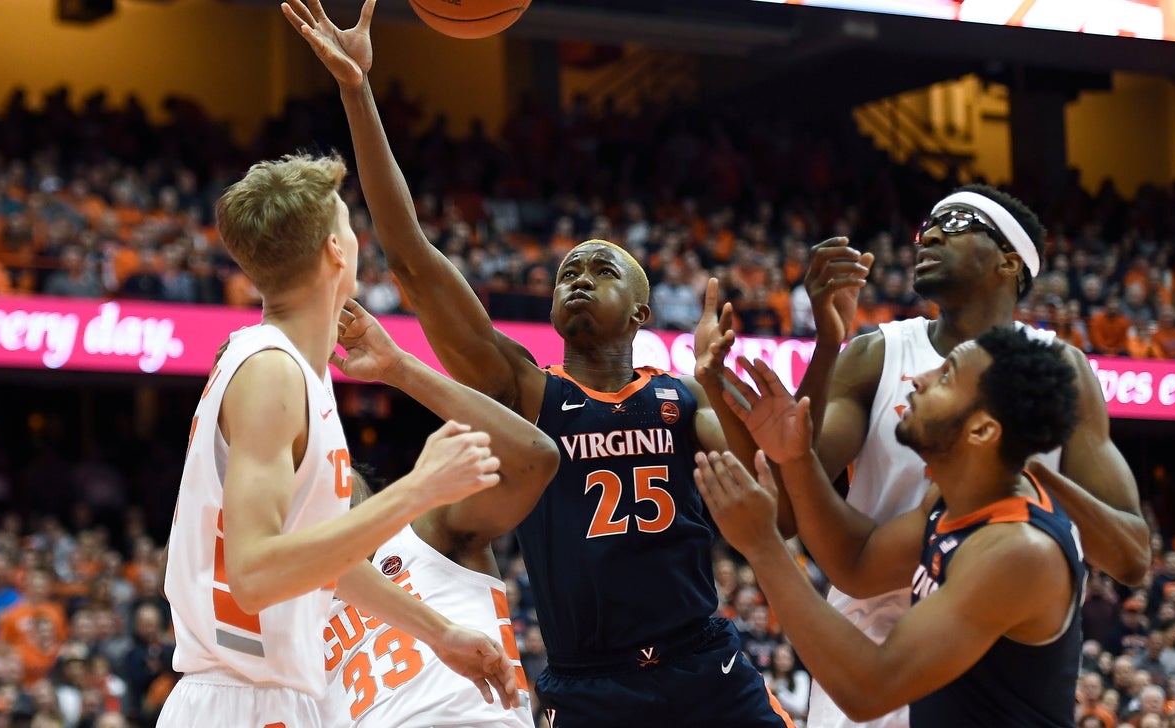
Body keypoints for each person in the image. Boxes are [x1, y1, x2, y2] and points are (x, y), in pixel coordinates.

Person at [287, 0, 804, 723]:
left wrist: (721, 387)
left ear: (641, 312)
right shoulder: (525, 391)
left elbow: (777, 511)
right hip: (589, 684)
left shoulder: (685, 398)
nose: (579, 277)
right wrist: (356, 90)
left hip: (702, 665)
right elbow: (411, 260)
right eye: (567, 272)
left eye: (601, 269)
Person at [160, 151, 518, 726]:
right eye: (349, 226)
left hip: (273, 697)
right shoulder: (272, 372)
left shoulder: (297, 368)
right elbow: (255, 575)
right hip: (240, 699)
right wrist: (418, 489)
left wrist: (438, 633)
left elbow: (319, 561)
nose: (355, 240)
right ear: (335, 249)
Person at [791, 184, 1148, 727]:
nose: (930, 235)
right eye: (927, 227)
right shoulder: (877, 354)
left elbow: (1131, 557)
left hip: (994, 655)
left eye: (956, 224)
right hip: (869, 640)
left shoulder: (1058, 374)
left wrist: (1035, 475)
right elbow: (791, 498)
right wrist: (825, 345)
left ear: (1010, 260)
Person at [695, 325, 1085, 726]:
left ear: (983, 430)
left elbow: (869, 691)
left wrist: (764, 546)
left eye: (945, 377)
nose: (919, 378)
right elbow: (857, 565)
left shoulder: (1017, 552)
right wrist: (796, 459)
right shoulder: (957, 499)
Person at [312, 300, 560, 727]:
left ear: (373, 500)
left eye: (339, 478)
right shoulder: (294, 613)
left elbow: (533, 459)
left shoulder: (423, 535)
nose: (327, 491)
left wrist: (398, 368)